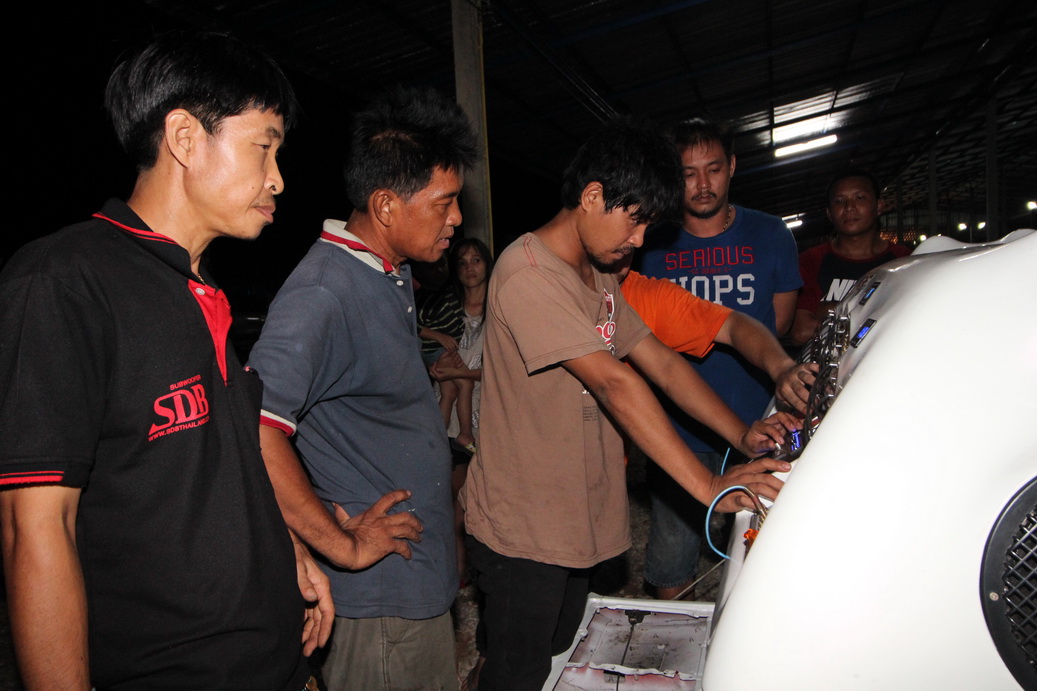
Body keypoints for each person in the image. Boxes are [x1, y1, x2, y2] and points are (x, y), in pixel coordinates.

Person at [0, 32, 336, 689]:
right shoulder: (64, 281)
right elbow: (34, 530)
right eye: (263, 147)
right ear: (184, 137)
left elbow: (210, 478)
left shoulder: (199, 288)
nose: (278, 178)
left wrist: (287, 550)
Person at [461, 117, 793, 691]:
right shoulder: (527, 274)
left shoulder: (598, 277)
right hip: (523, 529)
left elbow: (662, 363)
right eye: (635, 220)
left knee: (560, 651)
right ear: (592, 197)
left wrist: (741, 436)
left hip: (573, 517)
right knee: (518, 673)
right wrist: (709, 487)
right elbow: (618, 383)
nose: (639, 241)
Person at [247, 86, 477, 691]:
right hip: (379, 606)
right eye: (445, 203)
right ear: (385, 206)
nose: (457, 218)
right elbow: (256, 429)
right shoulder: (322, 294)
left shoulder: (388, 272)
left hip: (413, 583)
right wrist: (340, 545)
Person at [637, 116, 803, 599]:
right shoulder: (649, 242)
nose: (703, 184)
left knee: (766, 549)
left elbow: (780, 324)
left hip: (760, 422)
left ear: (732, 166)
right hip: (679, 428)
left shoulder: (771, 234)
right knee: (672, 558)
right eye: (688, 174)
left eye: (713, 169)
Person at [790, 169, 912, 346]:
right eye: (839, 201)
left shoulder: (905, 261)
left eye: (860, 197)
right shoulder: (810, 261)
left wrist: (830, 309)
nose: (849, 207)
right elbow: (801, 332)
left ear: (879, 206)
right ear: (829, 213)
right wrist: (876, 309)